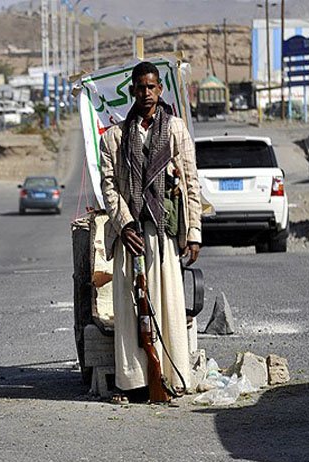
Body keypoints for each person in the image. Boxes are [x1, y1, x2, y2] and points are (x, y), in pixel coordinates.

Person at [99, 61, 202, 404]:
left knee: (167, 305)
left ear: (160, 89)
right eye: (140, 87)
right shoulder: (113, 137)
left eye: (151, 87)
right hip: (130, 235)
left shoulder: (175, 129)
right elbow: (109, 187)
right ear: (132, 91)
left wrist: (194, 232)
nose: (146, 93)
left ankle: (170, 376)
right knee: (131, 310)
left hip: (163, 232)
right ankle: (133, 382)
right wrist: (125, 224)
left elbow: (191, 181)